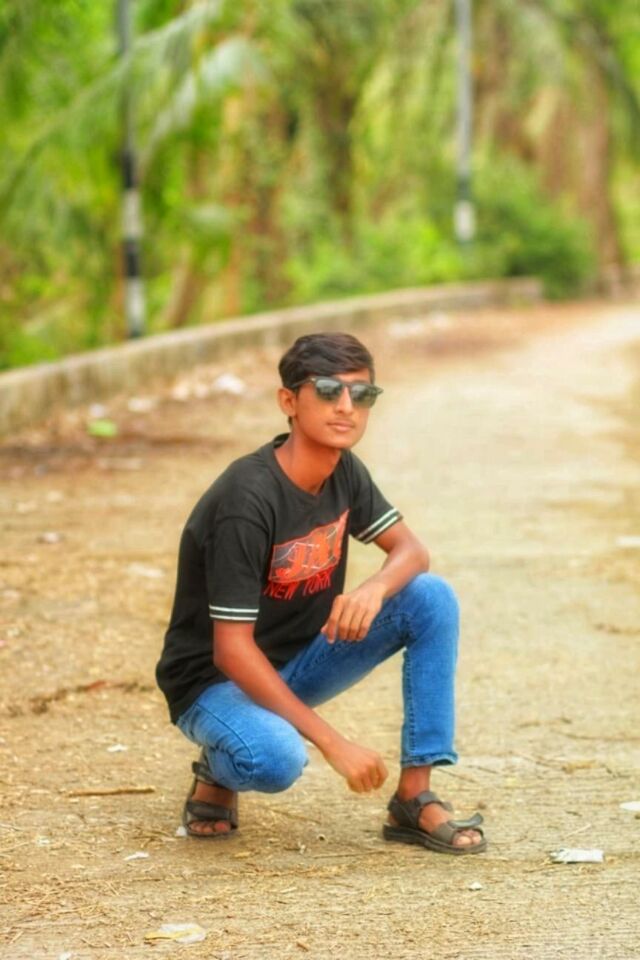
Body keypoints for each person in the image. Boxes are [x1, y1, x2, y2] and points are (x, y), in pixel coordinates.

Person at [156, 332, 485, 855]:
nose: (347, 407)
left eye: (363, 394)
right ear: (289, 401)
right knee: (274, 760)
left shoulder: (344, 470)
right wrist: (334, 743)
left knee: (429, 597)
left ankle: (414, 798)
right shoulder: (247, 499)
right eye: (329, 391)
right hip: (214, 684)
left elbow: (411, 551)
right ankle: (219, 767)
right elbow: (231, 651)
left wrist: (373, 590)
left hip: (295, 665)